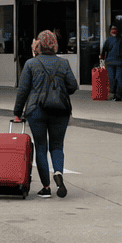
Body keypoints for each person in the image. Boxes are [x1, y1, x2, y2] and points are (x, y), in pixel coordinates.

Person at [13, 30, 78, 198]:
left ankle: (46, 187)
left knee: (41, 147)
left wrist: (17, 113)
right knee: (57, 145)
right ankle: (58, 172)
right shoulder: (63, 63)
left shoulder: (30, 64)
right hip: (60, 110)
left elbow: (23, 91)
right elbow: (72, 86)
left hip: (37, 110)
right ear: (55, 45)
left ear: (38, 45)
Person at [101, 25, 122, 102]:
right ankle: (118, 94)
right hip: (119, 62)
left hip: (111, 62)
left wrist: (102, 59)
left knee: (112, 78)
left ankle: (115, 94)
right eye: (113, 29)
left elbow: (104, 50)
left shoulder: (108, 40)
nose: (113, 31)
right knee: (118, 78)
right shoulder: (121, 40)